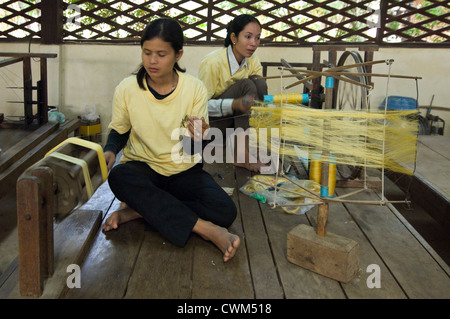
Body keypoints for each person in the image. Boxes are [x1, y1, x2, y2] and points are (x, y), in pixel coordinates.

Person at [102, 18, 240, 262]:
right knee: (119, 177)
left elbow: (190, 148)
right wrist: (111, 150)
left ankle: (138, 211)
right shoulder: (127, 88)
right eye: (147, 52)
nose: (152, 61)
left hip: (183, 169)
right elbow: (120, 129)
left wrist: (201, 138)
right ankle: (206, 230)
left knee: (225, 210)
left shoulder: (194, 89)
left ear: (178, 54)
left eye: (161, 54)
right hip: (143, 167)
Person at [198, 14, 269, 172]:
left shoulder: (252, 60)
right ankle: (241, 155)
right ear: (234, 37)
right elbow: (201, 106)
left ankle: (249, 144)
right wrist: (234, 104)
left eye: (257, 38)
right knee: (246, 85)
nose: (253, 43)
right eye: (248, 37)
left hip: (236, 122)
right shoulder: (212, 62)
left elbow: (260, 91)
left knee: (259, 82)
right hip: (212, 125)